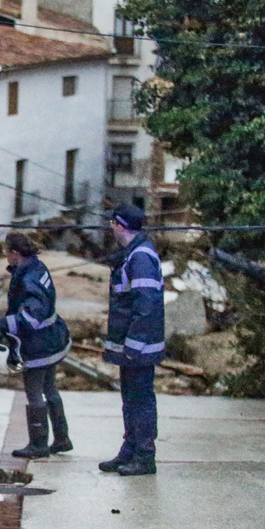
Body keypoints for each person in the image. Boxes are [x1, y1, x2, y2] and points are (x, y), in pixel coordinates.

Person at [99, 204, 165, 476]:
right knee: (131, 399)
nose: (111, 228)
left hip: (139, 347)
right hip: (132, 345)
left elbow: (146, 305)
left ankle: (144, 456)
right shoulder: (132, 255)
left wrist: (133, 345)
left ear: (119, 225)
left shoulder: (140, 258)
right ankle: (131, 450)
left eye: (113, 223)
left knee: (140, 399)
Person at [0, 232, 73, 458]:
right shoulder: (37, 268)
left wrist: (3, 325)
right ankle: (61, 438)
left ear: (15, 253)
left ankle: (38, 444)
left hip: (37, 346)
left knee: (34, 394)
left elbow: (31, 317)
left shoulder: (28, 278)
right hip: (52, 340)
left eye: (6, 253)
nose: (5, 258)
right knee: (50, 389)